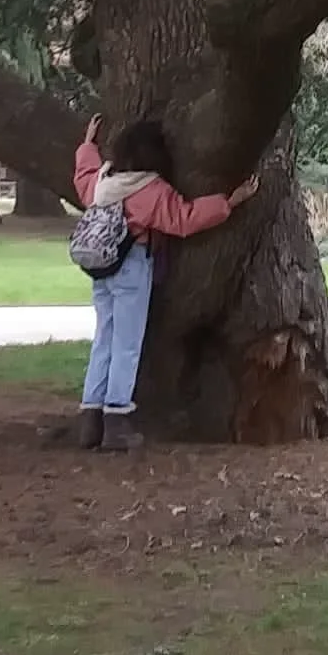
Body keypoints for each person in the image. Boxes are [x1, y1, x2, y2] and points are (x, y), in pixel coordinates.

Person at [73, 114, 258, 451]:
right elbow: (183, 218)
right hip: (130, 267)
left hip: (101, 269)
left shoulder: (103, 182)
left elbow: (83, 177)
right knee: (127, 346)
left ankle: (90, 420)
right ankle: (116, 420)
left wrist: (88, 145)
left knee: (104, 340)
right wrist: (228, 203)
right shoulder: (150, 190)